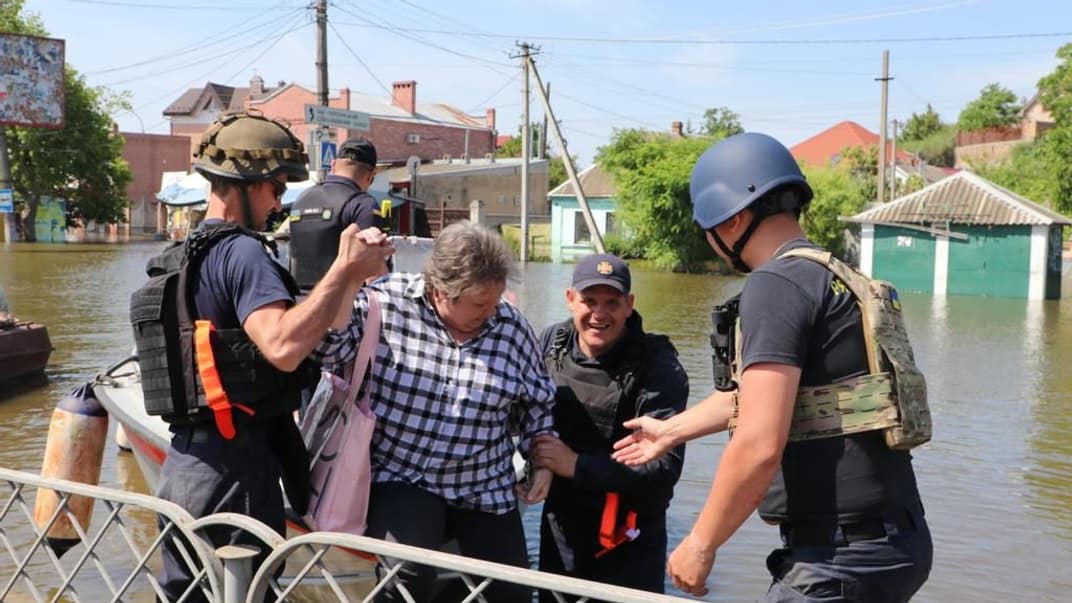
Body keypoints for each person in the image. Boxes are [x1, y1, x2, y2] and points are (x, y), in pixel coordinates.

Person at [612, 132, 932, 602]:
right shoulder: (834, 275)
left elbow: (760, 441)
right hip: (896, 543)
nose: (710, 241)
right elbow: (774, 397)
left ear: (735, 218)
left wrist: (701, 543)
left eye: (710, 228)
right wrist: (672, 431)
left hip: (838, 559)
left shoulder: (775, 285)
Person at [133, 111, 394, 601]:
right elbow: (283, 347)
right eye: (275, 188)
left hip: (184, 466)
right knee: (245, 591)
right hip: (236, 468)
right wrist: (344, 270)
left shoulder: (184, 253)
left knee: (186, 592)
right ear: (245, 183)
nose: (279, 202)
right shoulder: (245, 255)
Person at [313, 220, 556, 603]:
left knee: (511, 592)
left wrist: (540, 460)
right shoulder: (385, 302)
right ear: (441, 290)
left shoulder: (511, 327)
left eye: (495, 301)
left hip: (483, 482)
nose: (491, 312)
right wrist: (347, 276)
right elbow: (326, 351)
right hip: (403, 474)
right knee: (407, 575)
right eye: (479, 304)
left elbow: (538, 404)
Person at [531, 253, 688, 600]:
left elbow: (663, 468)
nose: (599, 314)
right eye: (589, 301)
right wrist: (535, 463)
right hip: (563, 528)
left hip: (630, 536)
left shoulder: (658, 366)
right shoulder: (550, 344)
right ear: (570, 300)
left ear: (629, 305)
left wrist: (575, 465)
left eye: (612, 303)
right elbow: (524, 416)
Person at [289, 137, 386, 292]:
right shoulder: (363, 204)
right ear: (371, 176)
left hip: (298, 302)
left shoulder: (301, 198)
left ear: (333, 165)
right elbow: (373, 272)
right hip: (342, 305)